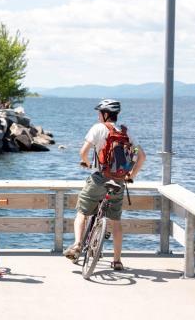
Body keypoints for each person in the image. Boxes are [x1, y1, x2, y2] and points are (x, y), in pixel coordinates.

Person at [62, 99, 146, 270]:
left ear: (105, 114)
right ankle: (117, 260)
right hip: (118, 180)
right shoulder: (125, 131)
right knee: (115, 221)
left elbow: (83, 152)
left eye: (99, 113)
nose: (98, 115)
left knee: (81, 212)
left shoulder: (98, 128)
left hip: (99, 178)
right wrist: (130, 175)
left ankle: (77, 244)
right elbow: (142, 156)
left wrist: (85, 162)